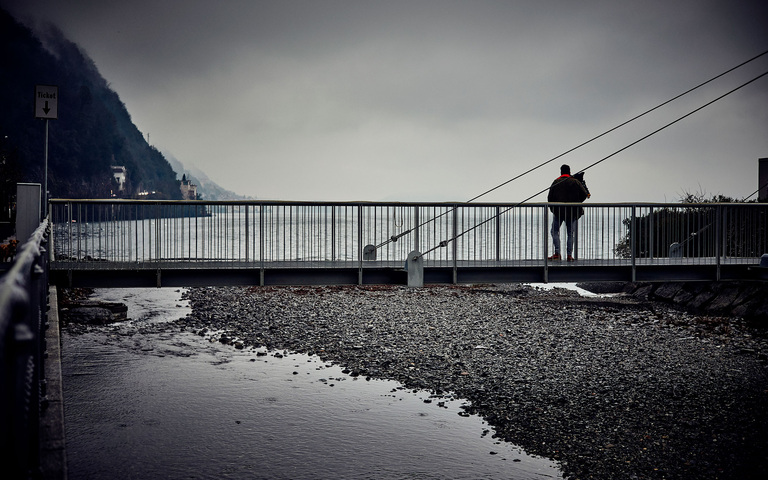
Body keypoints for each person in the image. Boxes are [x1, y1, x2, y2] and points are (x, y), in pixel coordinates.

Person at [547, 164, 589, 262]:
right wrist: (577, 203)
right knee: (570, 233)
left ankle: (557, 253)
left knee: (554, 231)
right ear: (569, 171)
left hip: (558, 211)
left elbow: (550, 198)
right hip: (572, 211)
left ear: (561, 171)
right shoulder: (575, 182)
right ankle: (569, 255)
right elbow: (584, 194)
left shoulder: (556, 182)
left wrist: (554, 208)